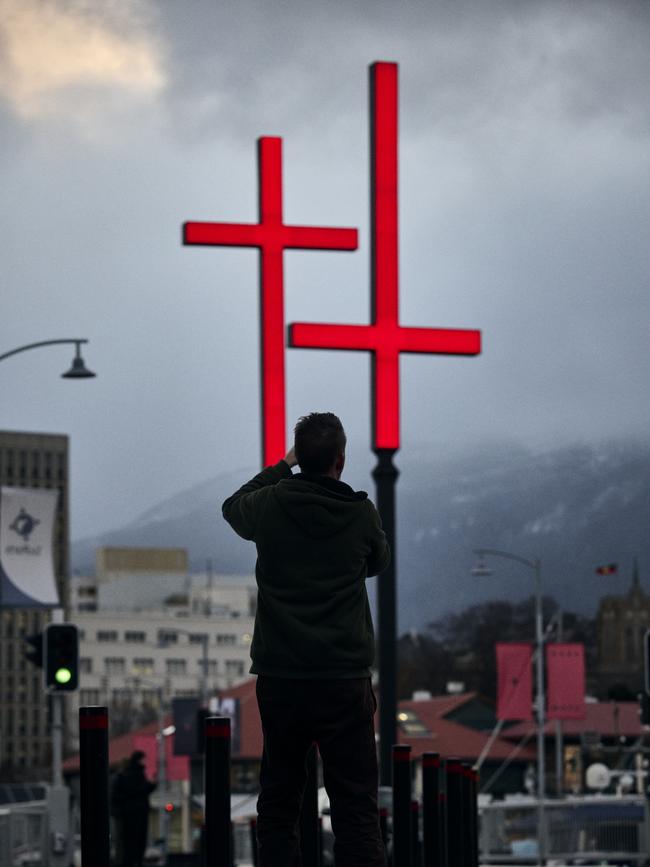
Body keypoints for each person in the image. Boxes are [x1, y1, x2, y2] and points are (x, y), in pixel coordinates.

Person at [222, 411, 390, 866]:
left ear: (301, 457)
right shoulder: (360, 513)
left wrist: (283, 465)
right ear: (340, 459)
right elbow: (377, 562)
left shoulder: (270, 504)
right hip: (343, 678)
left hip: (282, 677)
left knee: (279, 802)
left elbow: (232, 506)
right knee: (356, 807)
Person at [110, 750, 157, 867]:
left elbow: (116, 796)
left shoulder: (122, 777)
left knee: (126, 843)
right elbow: (143, 789)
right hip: (137, 812)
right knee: (138, 841)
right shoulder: (138, 775)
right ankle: (135, 862)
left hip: (127, 813)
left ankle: (127, 862)